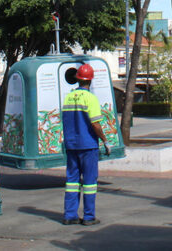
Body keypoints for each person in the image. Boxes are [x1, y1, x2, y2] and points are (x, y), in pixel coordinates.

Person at [61, 63, 110, 226]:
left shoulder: (68, 97)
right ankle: (88, 217)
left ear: (77, 80)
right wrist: (105, 140)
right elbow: (95, 124)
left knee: (72, 182)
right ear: (90, 80)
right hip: (88, 145)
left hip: (71, 146)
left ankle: (70, 216)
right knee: (89, 183)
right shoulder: (91, 98)